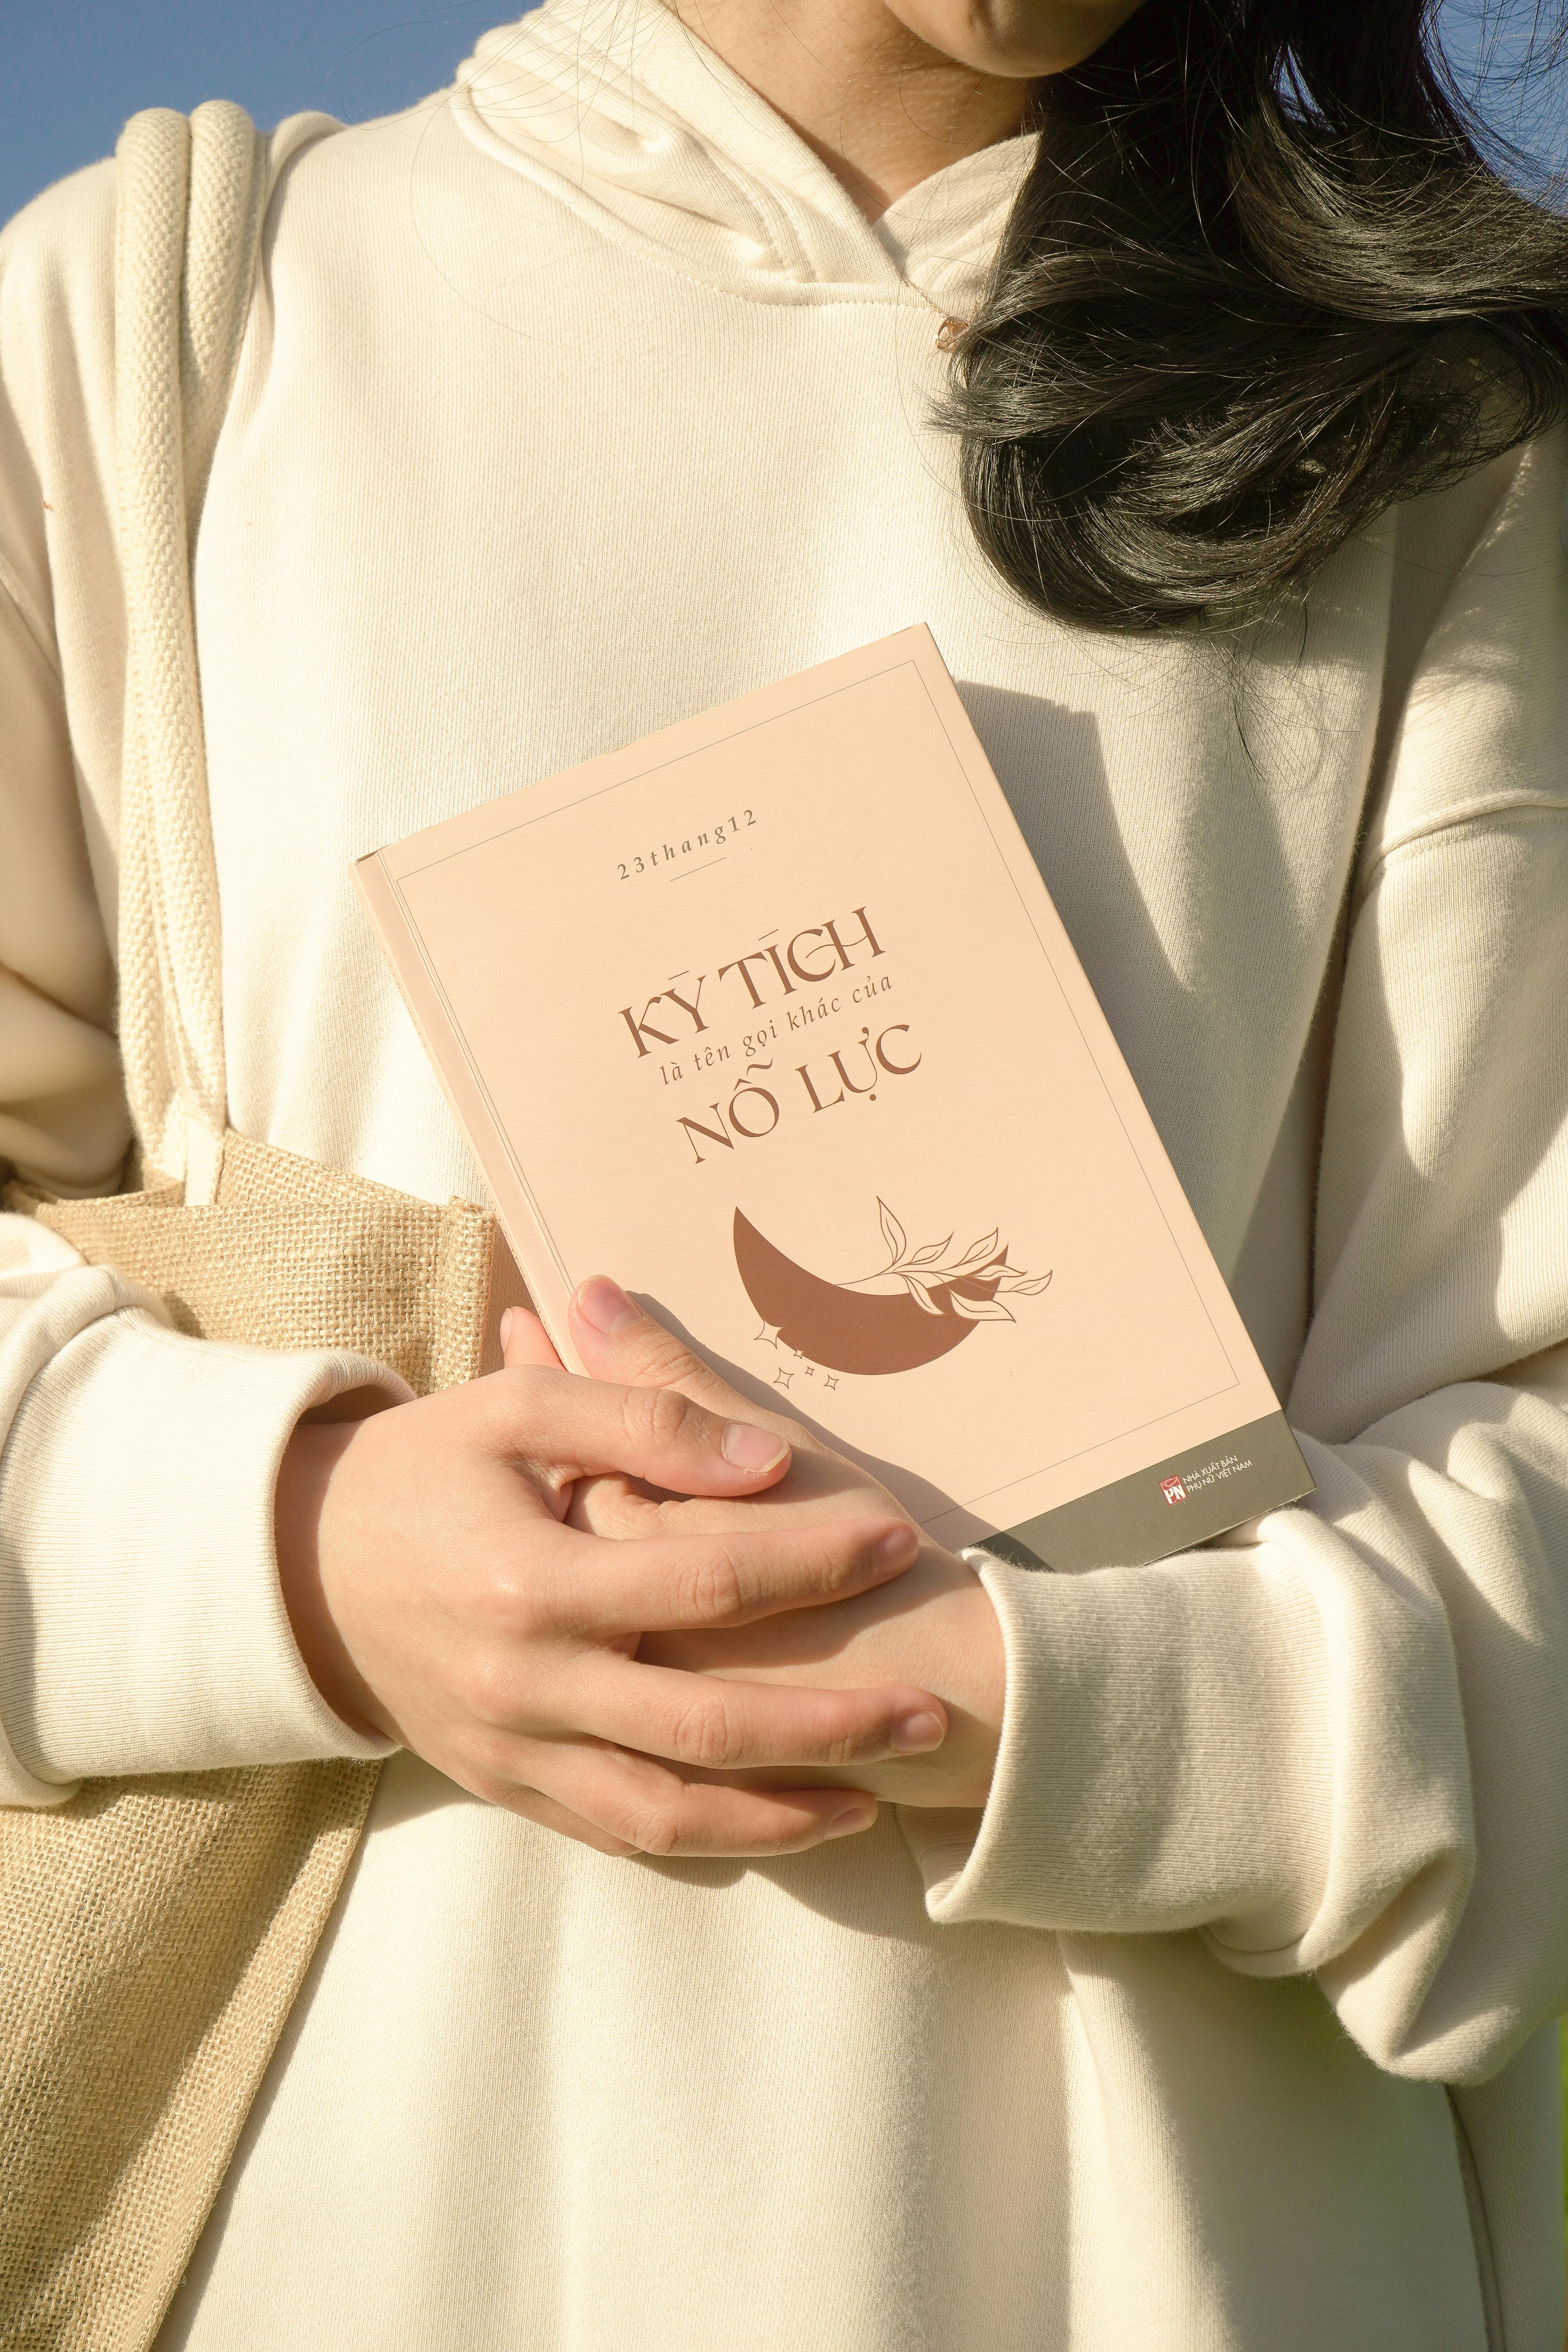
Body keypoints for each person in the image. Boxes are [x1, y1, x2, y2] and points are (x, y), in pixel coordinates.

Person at [2, 0, 1566, 2341]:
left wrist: (1073, 1704)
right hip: (350, 2213)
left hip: (1180, 2250)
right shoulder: (158, 317)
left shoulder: (1461, 419)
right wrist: (298, 1543)